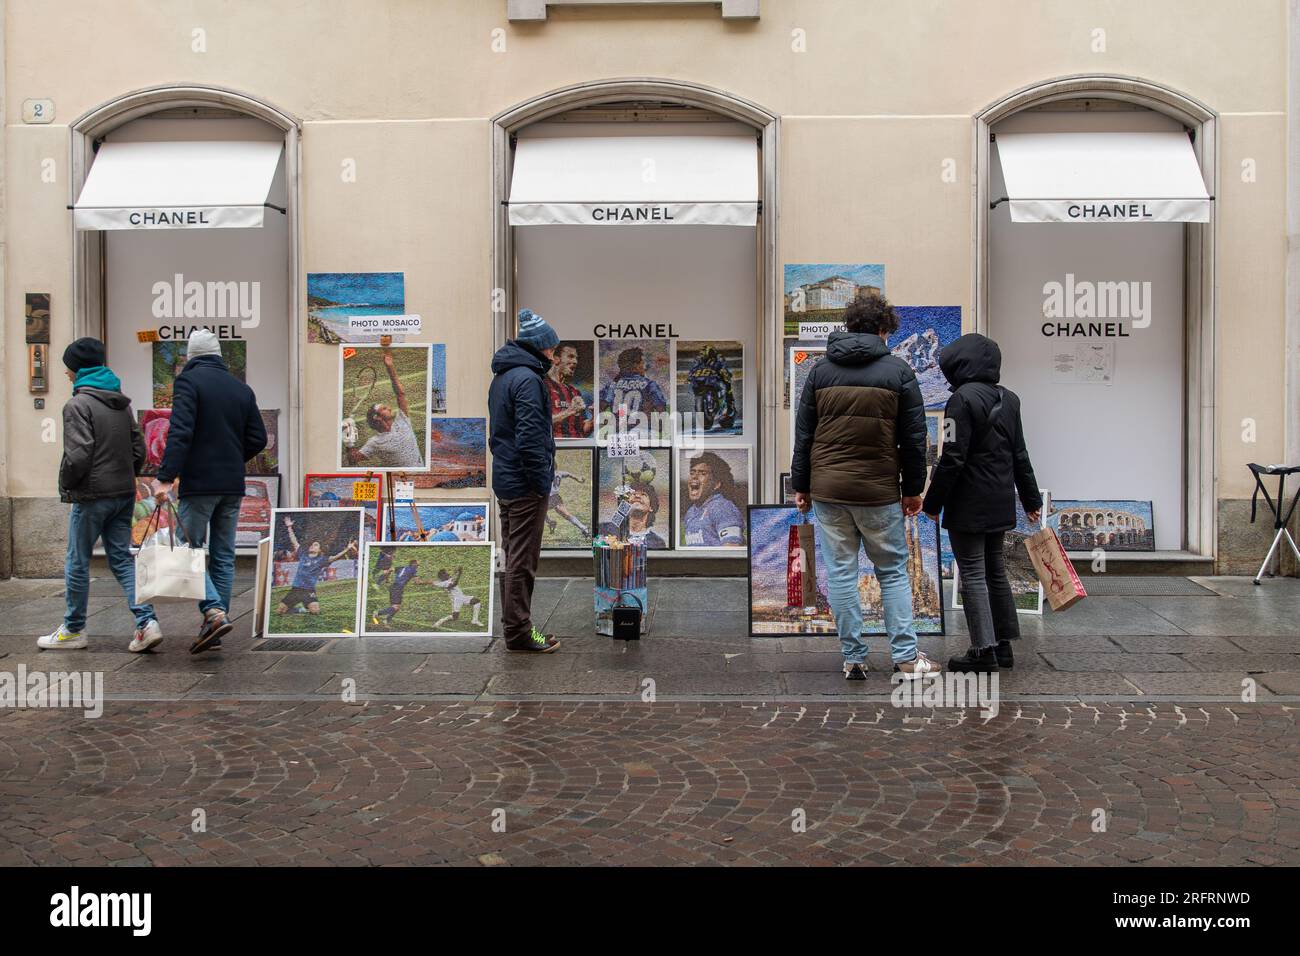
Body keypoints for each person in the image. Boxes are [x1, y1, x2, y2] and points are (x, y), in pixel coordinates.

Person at [790, 292, 940, 682]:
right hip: (879, 491)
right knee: (891, 571)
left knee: (841, 572)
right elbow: (913, 437)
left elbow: (804, 435)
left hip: (829, 490)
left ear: (850, 326)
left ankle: (853, 657)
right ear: (883, 329)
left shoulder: (820, 371)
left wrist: (802, 484)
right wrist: (913, 489)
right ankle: (906, 659)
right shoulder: (899, 372)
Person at [923, 333, 1042, 673]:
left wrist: (933, 503)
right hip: (1001, 501)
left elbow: (951, 458)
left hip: (969, 504)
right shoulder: (1011, 399)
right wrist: (1030, 499)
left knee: (973, 574)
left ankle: (982, 650)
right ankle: (1004, 646)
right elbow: (1020, 454)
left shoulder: (960, 400)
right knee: (996, 572)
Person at [41, 337, 162, 653]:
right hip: (123, 493)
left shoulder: (78, 405)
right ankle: (147, 622)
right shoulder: (121, 402)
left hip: (92, 496)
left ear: (77, 369)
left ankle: (73, 629)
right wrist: (126, 476)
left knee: (77, 561)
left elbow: (78, 455)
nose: (66, 374)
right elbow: (138, 451)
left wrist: (68, 484)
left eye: (68, 368)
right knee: (122, 559)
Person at [153, 328, 267, 653]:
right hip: (232, 484)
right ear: (218, 355)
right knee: (223, 555)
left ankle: (214, 612)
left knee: (184, 550)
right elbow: (258, 439)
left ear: (191, 357)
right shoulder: (241, 389)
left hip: (200, 483)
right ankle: (215, 621)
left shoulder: (188, 382)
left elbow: (180, 431)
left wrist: (165, 476)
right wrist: (233, 459)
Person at [488, 308, 561, 653]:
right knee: (522, 559)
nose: (553, 354)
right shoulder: (529, 380)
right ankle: (519, 631)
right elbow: (531, 437)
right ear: (538, 348)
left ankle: (513, 625)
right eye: (549, 348)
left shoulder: (504, 376)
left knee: (511, 554)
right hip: (524, 483)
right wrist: (540, 481)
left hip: (507, 478)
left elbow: (500, 434)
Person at [346, 344, 422, 469]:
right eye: (384, 408)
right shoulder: (375, 442)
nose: (390, 408)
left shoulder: (402, 420)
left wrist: (390, 368)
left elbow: (400, 394)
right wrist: (348, 439)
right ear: (377, 417)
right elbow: (353, 459)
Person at [276, 515, 358, 615]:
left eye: (315, 545)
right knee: (279, 611)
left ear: (319, 549)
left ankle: (304, 608)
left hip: (309, 590)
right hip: (296, 589)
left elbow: (335, 557)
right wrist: (289, 527)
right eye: (312, 544)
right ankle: (298, 610)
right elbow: (294, 541)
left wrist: (347, 549)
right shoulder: (302, 554)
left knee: (315, 611)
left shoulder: (321, 560)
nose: (312, 546)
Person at [599, 346, 669, 439]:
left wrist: (609, 424)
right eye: (643, 363)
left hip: (618, 435)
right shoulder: (649, 384)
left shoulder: (612, 385)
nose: (645, 367)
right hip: (643, 433)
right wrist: (658, 428)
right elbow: (661, 411)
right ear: (636, 365)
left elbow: (599, 409)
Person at [682, 451, 744, 548]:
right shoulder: (690, 513)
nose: (694, 477)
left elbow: (732, 550)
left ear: (716, 484)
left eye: (702, 473)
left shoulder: (722, 508)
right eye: (692, 472)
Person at [546, 342, 593, 439]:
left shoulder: (574, 392)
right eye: (571, 356)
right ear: (556, 359)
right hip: (556, 449)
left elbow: (583, 431)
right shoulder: (541, 386)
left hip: (577, 450)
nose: (575, 361)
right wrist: (570, 411)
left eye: (576, 358)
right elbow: (537, 424)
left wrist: (594, 419)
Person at [371, 556, 421, 627]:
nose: (418, 566)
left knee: (396, 607)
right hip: (397, 588)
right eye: (418, 565)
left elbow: (391, 569)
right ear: (414, 564)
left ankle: (386, 620)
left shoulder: (402, 568)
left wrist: (386, 578)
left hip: (395, 587)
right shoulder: (413, 570)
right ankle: (378, 613)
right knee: (395, 607)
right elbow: (418, 582)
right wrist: (428, 582)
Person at [546, 468, 590, 538]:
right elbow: (568, 474)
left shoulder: (545, 473)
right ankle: (583, 527)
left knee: (539, 511)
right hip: (556, 498)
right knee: (566, 514)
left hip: (548, 498)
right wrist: (577, 478)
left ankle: (550, 522)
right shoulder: (559, 473)